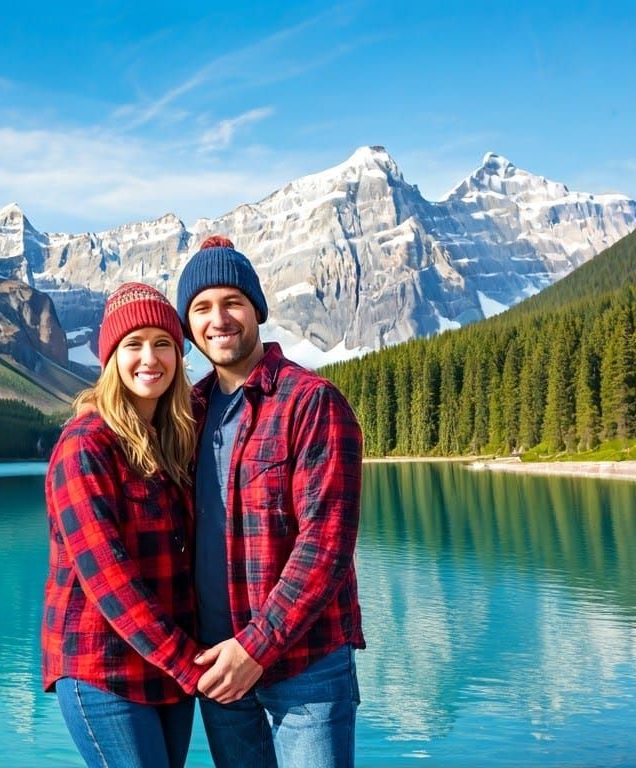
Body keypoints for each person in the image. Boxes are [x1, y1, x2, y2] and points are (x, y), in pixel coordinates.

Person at [176, 235, 365, 768]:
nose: (219, 319)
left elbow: (325, 548)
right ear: (189, 326)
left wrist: (255, 648)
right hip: (219, 667)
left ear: (256, 308)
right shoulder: (186, 415)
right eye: (201, 307)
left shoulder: (312, 403)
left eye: (232, 301)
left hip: (306, 669)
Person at [42, 282, 207, 768]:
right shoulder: (86, 444)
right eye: (132, 345)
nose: (149, 358)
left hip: (166, 666)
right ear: (111, 358)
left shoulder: (172, 440)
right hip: (101, 664)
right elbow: (106, 577)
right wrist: (188, 662)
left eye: (163, 343)